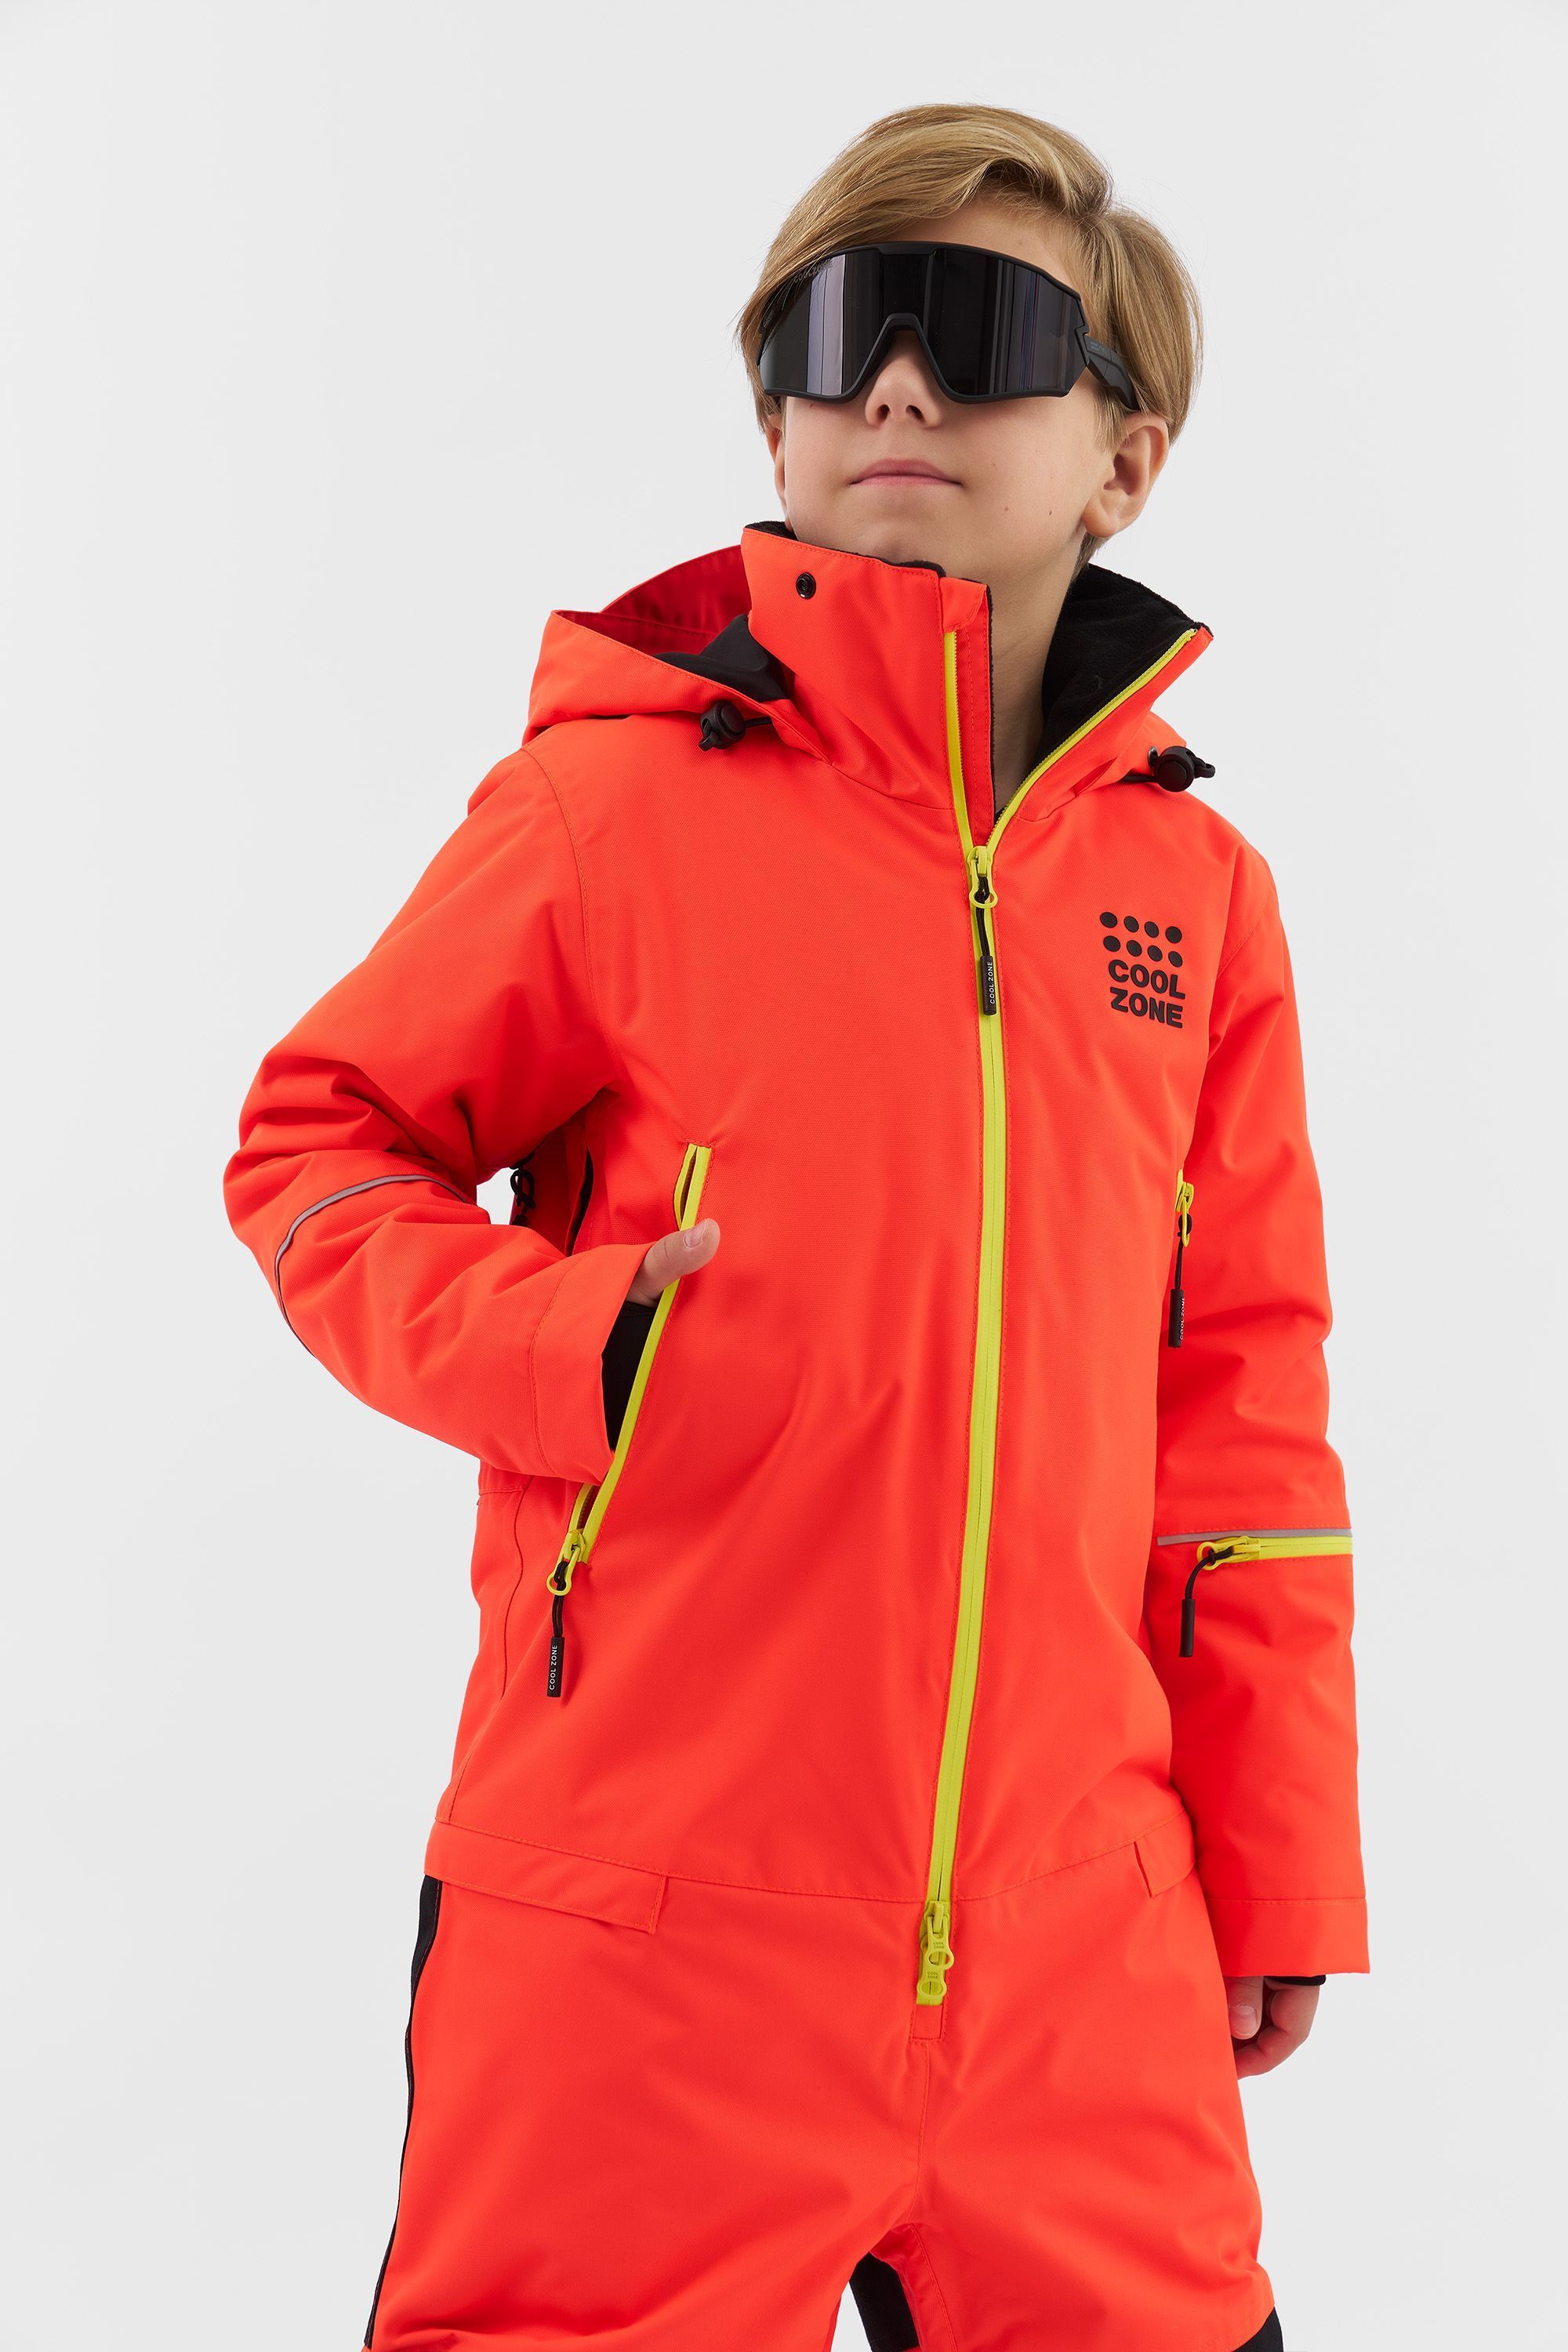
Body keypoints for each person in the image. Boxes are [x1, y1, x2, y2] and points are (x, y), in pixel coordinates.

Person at [225, 100, 1365, 2352]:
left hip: (1082, 1951)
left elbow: (1243, 1409)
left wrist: (1279, 1854)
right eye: (835, 335)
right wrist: (562, 1347)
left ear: (1127, 457)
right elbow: (316, 1144)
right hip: (638, 1943)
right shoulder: (608, 808)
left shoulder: (1196, 895)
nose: (900, 385)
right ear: (778, 415)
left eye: (981, 329)